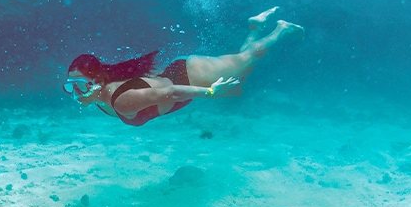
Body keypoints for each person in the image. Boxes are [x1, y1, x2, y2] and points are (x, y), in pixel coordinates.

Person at [63, 7, 303, 127]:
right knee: (240, 70)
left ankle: (281, 29)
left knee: (247, 60)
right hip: (180, 76)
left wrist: (210, 92)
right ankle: (255, 26)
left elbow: (171, 93)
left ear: (97, 80)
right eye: (70, 86)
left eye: (79, 85)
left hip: (190, 77)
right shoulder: (100, 95)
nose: (74, 93)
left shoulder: (119, 100)